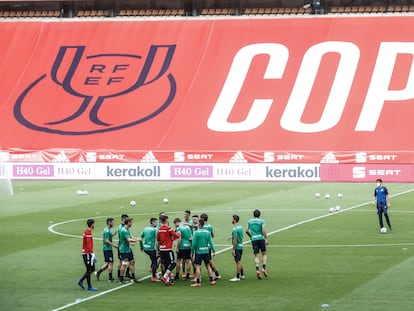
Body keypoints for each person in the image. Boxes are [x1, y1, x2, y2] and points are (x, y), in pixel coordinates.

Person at [191, 219, 216, 287]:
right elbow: (211, 243)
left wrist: (192, 252)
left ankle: (198, 282)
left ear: (199, 224)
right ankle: (212, 280)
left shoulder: (196, 232)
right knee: (208, 266)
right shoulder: (207, 232)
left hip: (199, 252)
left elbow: (194, 244)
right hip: (206, 251)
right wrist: (214, 251)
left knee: (198, 267)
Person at [156, 214, 181, 286]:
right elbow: (177, 235)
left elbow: (158, 240)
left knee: (166, 264)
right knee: (173, 264)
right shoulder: (169, 228)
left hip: (162, 249)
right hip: (168, 249)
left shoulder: (159, 229)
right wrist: (179, 233)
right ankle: (164, 277)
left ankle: (167, 280)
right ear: (166, 220)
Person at [245, 209, 268, 279]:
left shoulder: (249, 221)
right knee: (264, 254)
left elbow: (246, 230)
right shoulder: (262, 221)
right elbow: (263, 229)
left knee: (256, 256)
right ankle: (263, 268)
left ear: (253, 214)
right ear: (259, 214)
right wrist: (265, 238)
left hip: (254, 239)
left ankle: (257, 269)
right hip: (260, 238)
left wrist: (251, 236)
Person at [118, 217, 141, 284]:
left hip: (127, 249)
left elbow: (131, 237)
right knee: (124, 264)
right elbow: (129, 239)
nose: (132, 223)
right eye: (131, 222)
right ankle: (121, 279)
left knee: (132, 262)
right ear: (128, 223)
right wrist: (137, 240)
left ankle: (133, 277)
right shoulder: (124, 230)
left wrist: (136, 238)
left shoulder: (127, 229)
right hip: (124, 249)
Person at [77, 219, 98, 291]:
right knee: (90, 269)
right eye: (94, 224)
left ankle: (82, 282)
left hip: (87, 253)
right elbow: (88, 244)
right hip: (87, 253)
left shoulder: (87, 232)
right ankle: (84, 283)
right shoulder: (88, 232)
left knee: (91, 269)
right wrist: (92, 253)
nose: (94, 225)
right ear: (91, 224)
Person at [95, 218, 118, 282]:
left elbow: (108, 237)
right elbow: (106, 240)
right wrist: (114, 246)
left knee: (108, 263)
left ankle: (98, 273)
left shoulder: (107, 230)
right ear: (109, 223)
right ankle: (110, 278)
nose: (113, 224)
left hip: (106, 249)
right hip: (107, 249)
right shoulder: (107, 231)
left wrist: (113, 234)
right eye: (112, 222)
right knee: (111, 263)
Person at [200, 213, 221, 279]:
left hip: (204, 246)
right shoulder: (210, 226)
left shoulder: (202, 227)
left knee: (208, 261)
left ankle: (215, 274)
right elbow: (212, 235)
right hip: (209, 245)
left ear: (203, 219)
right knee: (208, 261)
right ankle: (215, 274)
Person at [140, 217, 160, 282]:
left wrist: (141, 247)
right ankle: (153, 276)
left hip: (146, 248)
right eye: (155, 222)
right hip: (151, 248)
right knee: (155, 261)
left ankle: (152, 269)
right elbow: (157, 241)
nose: (156, 223)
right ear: (152, 222)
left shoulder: (145, 229)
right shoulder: (155, 230)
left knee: (154, 260)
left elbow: (140, 238)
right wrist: (157, 250)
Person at [229, 215, 244, 282]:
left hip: (237, 247)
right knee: (239, 261)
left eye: (232, 219)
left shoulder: (235, 229)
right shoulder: (240, 227)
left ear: (235, 220)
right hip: (241, 246)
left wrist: (233, 249)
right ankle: (242, 274)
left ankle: (237, 277)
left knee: (238, 262)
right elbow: (238, 236)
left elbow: (235, 239)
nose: (231, 220)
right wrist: (231, 237)